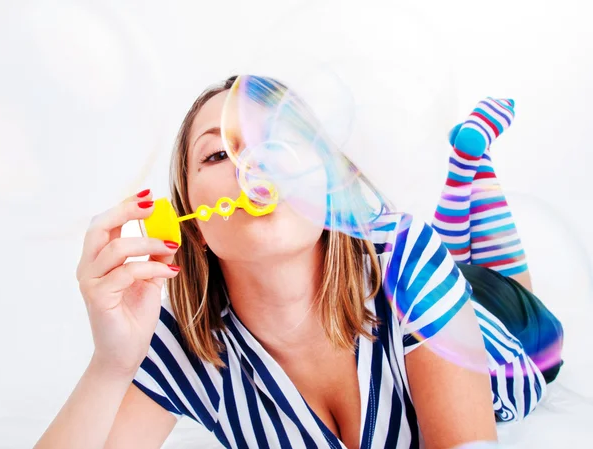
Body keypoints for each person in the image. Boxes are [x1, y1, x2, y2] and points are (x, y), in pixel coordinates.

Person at [35, 76, 563, 449]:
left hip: (502, 328)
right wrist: (112, 364)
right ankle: (466, 177)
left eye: (277, 142)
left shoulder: (403, 256)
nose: (252, 166)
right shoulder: (183, 340)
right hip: (417, 271)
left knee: (509, 285)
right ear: (191, 225)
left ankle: (472, 165)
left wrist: (432, 266)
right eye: (218, 155)